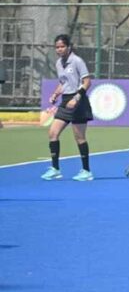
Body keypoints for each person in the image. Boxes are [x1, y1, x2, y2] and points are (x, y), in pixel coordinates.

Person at [41, 34, 94, 181]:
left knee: (79, 137)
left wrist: (76, 98)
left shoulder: (77, 61)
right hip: (65, 101)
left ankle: (86, 171)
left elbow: (87, 82)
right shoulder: (59, 63)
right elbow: (63, 82)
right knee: (53, 133)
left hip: (79, 102)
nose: (59, 49)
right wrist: (55, 94)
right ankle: (55, 169)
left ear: (69, 47)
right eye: (57, 47)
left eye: (62, 46)